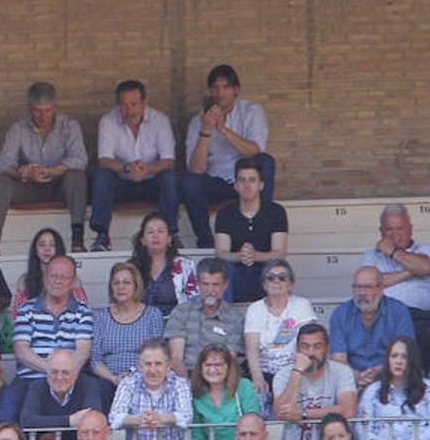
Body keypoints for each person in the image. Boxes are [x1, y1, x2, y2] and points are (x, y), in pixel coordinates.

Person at [0, 81, 89, 255]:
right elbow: (2, 164)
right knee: (0, 181)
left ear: (55, 107)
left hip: (60, 186)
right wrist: (22, 172)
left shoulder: (69, 126)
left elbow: (80, 159)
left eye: (48, 110)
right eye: (37, 111)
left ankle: (78, 238)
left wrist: (50, 171)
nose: (43, 116)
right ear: (29, 108)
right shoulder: (18, 128)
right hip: (28, 187)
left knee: (76, 176)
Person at [180, 63, 275, 249]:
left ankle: (263, 231)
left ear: (236, 89)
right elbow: (195, 169)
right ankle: (206, 242)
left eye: (225, 87)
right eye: (215, 88)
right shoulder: (197, 121)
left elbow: (255, 150)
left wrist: (224, 130)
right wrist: (206, 130)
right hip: (215, 182)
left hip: (244, 180)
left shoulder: (251, 110)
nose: (220, 93)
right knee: (189, 183)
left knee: (265, 162)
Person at [88, 79, 178, 252]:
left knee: (169, 177)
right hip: (122, 184)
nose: (129, 110)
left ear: (145, 102)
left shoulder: (160, 120)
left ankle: (171, 235)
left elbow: (169, 161)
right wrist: (128, 168)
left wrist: (147, 169)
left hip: (152, 183)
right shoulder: (108, 121)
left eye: (134, 104)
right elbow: (104, 160)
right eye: (123, 105)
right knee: (101, 175)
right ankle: (102, 236)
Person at [359, 203, 430, 371]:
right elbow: (369, 285)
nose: (395, 235)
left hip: (418, 318)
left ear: (411, 229)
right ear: (381, 231)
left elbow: (427, 268)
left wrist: (393, 252)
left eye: (400, 228)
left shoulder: (425, 250)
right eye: (389, 230)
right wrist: (411, 272)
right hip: (383, 317)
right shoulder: (371, 255)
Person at [274, 324, 359, 440]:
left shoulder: (341, 372)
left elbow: (348, 410)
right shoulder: (283, 375)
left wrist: (303, 414)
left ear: (327, 349)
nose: (311, 353)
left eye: (317, 346)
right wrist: (297, 372)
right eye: (305, 347)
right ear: (297, 350)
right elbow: (281, 412)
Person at [358, 336, 430, 440]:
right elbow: (362, 428)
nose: (398, 361)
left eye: (404, 356)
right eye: (394, 356)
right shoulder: (373, 391)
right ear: (387, 360)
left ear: (413, 360)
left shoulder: (429, 389)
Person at [18, 349, 107, 440]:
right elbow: (27, 420)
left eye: (65, 372)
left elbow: (91, 416)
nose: (59, 377)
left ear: (76, 373)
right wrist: (69, 421)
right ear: (47, 372)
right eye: (54, 372)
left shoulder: (89, 384)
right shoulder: (37, 387)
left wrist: (48, 425)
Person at [213, 157, 289, 303]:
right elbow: (221, 253)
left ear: (261, 185)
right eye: (242, 180)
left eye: (252, 180)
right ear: (235, 185)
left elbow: (279, 253)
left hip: (265, 272)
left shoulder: (276, 211)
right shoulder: (225, 214)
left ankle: (274, 317)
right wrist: (241, 256)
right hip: (235, 274)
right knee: (222, 268)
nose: (247, 185)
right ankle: (223, 319)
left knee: (279, 268)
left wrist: (255, 255)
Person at [329, 266, 416, 388]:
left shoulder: (399, 311)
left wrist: (377, 372)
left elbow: (405, 353)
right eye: (357, 287)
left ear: (381, 288)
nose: (361, 293)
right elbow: (339, 360)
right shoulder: (340, 314)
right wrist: (358, 376)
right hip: (351, 379)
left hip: (390, 376)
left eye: (367, 287)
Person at [11, 255, 93, 381]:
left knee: (93, 392)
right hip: (32, 379)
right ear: (45, 277)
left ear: (73, 282)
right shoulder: (26, 309)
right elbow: (21, 351)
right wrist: (54, 372)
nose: (57, 281)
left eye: (64, 277)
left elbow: (82, 352)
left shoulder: (83, 311)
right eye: (53, 275)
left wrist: (64, 375)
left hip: (72, 378)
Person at [243, 259, 316, 397]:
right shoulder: (254, 309)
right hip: (264, 371)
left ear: (291, 284)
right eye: (270, 278)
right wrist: (258, 378)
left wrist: (298, 372)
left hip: (296, 369)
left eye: (282, 278)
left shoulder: (302, 305)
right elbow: (252, 349)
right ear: (264, 284)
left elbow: (309, 342)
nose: (276, 281)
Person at [89, 262, 164, 391]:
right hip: (109, 382)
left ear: (136, 286)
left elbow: (157, 355)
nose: (121, 287)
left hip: (144, 379)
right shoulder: (101, 317)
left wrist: (135, 376)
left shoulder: (152, 315)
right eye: (116, 283)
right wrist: (114, 378)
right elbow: (95, 360)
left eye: (126, 282)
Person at [164, 258, 244, 377]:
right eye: (205, 284)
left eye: (216, 284)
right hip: (186, 376)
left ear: (225, 285)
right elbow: (176, 358)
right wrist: (188, 387)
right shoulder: (181, 311)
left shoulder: (235, 316)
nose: (210, 290)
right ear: (197, 283)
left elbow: (229, 360)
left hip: (220, 377)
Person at [189, 344, 260, 440]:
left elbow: (253, 425)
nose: (212, 369)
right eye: (208, 365)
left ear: (228, 367)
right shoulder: (197, 395)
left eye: (218, 365)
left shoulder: (243, 386)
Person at [128, 212, 197, 321]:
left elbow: (194, 302)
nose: (155, 236)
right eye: (150, 232)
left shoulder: (185, 265)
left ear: (169, 239)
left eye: (160, 231)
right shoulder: (131, 268)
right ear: (143, 240)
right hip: (139, 324)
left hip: (175, 325)